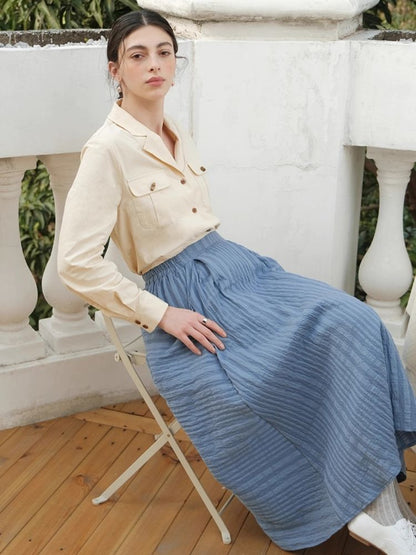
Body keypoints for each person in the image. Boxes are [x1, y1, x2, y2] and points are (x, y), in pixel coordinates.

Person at [58, 9, 416, 554]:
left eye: (163, 53)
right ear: (116, 70)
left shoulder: (176, 131)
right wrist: (161, 313)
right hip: (181, 293)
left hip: (236, 268)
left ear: (175, 63)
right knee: (282, 371)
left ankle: (378, 507)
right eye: (138, 55)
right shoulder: (107, 150)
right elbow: (75, 263)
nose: (154, 65)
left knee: (355, 321)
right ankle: (378, 514)